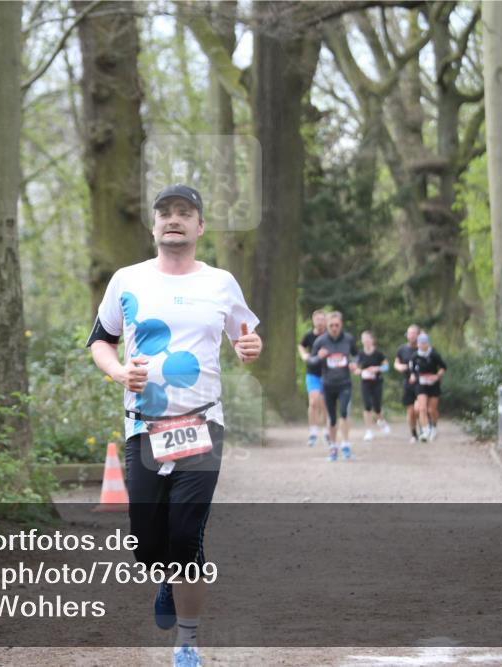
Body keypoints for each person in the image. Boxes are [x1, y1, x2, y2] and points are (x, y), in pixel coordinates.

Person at [87, 184, 261, 667]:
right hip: (145, 426)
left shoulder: (221, 282)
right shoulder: (127, 279)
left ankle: (187, 642)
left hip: (202, 423)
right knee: (146, 545)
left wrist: (251, 348)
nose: (173, 220)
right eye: (164, 213)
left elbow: (246, 337)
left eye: (185, 213)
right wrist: (119, 371)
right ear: (153, 225)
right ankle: (167, 577)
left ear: (200, 226)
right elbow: (101, 340)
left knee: (186, 537)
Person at [309, 311, 357, 461]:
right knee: (332, 418)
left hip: (345, 384)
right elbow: (311, 361)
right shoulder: (320, 341)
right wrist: (319, 357)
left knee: (343, 412)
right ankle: (333, 448)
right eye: (331, 325)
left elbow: (357, 354)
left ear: (341, 324)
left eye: (337, 325)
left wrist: (355, 363)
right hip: (328, 384)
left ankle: (346, 444)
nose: (334, 328)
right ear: (327, 326)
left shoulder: (348, 339)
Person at [408, 332, 447, 441]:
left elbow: (443, 367)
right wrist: (413, 376)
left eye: (424, 343)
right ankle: (425, 431)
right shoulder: (415, 356)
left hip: (433, 384)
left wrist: (437, 376)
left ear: (428, 344)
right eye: (420, 343)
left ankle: (434, 426)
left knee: (431, 410)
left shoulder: (434, 354)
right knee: (422, 408)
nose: (422, 345)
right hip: (421, 384)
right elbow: (412, 370)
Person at [297, 309, 328, 447]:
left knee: (326, 404)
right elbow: (301, 346)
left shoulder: (330, 336)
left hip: (328, 374)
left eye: (323, 319)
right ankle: (313, 432)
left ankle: (327, 431)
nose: (320, 322)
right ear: (313, 321)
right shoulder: (309, 336)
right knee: (313, 402)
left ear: (326, 321)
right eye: (318, 319)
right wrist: (304, 355)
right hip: (313, 374)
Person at [354, 330, 390, 441]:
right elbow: (355, 367)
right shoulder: (360, 354)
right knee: (367, 405)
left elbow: (387, 367)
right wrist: (358, 371)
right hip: (365, 383)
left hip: (377, 382)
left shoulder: (378, 353)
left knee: (377, 406)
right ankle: (369, 431)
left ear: (372, 340)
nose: (366, 341)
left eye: (367, 339)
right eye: (363, 339)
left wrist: (377, 368)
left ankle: (381, 421)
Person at [394, 324, 421, 443]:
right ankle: (414, 434)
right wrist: (400, 367)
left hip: (422, 383)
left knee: (419, 409)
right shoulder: (402, 349)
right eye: (409, 333)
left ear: (419, 335)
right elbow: (396, 363)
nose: (411, 336)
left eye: (414, 333)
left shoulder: (423, 348)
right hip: (408, 383)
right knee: (410, 411)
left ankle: (426, 428)